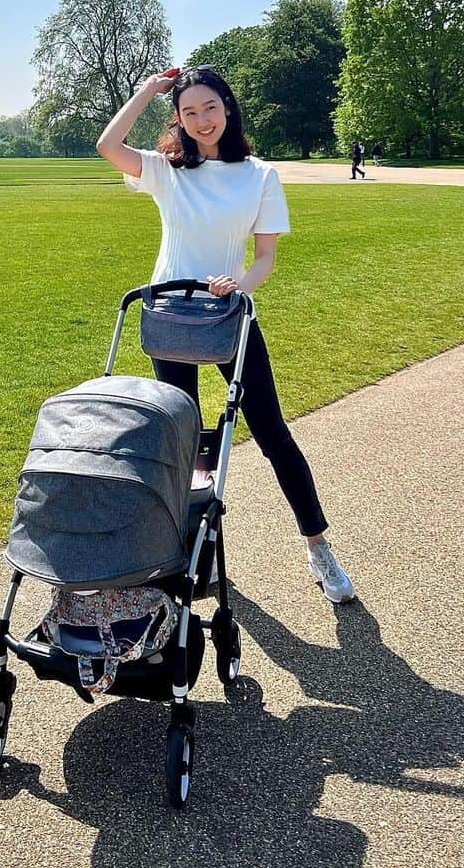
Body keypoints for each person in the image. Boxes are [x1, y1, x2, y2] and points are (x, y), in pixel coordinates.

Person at [96, 65, 355, 603]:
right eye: (188, 112)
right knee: (182, 439)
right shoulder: (167, 170)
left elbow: (265, 260)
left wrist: (237, 284)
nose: (201, 120)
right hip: (169, 315)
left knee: (271, 432)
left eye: (209, 107)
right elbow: (108, 143)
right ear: (180, 120)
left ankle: (318, 547)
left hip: (228, 313)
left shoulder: (259, 176)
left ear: (227, 107)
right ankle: (193, 555)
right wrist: (147, 89)